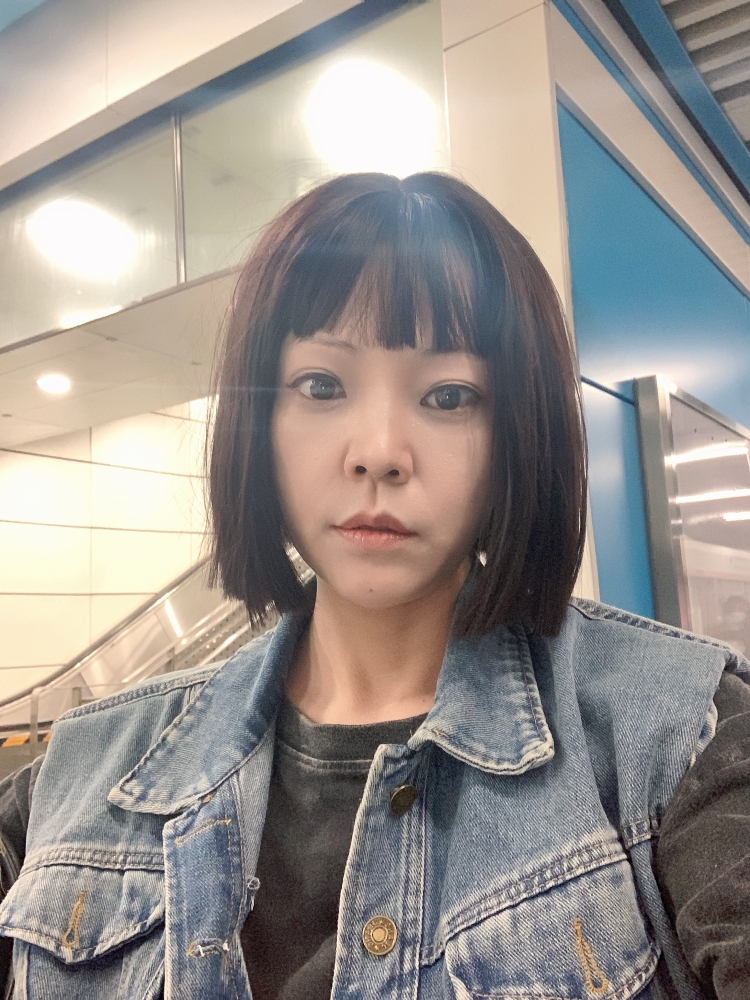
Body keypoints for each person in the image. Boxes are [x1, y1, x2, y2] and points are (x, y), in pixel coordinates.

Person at [1, 172, 749, 1000]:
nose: (380, 452)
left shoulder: (680, 737)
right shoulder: (79, 776)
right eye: (321, 386)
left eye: (448, 396)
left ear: (517, 432)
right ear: (259, 422)